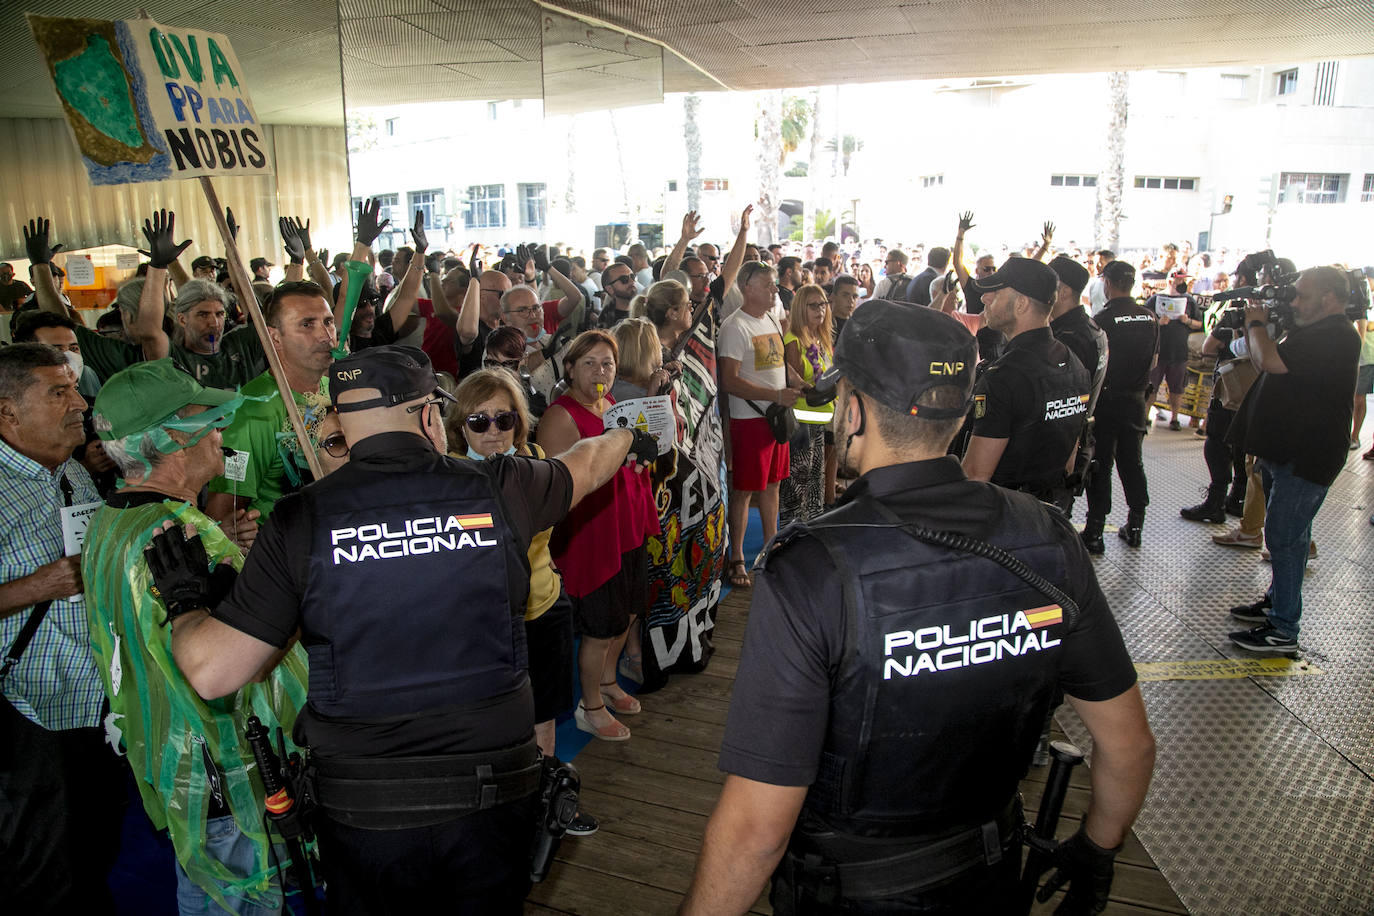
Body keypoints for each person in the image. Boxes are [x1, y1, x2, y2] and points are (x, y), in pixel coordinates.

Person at [680, 301, 1155, 915]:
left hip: (850, 895)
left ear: (852, 411)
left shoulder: (813, 568)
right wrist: (1095, 848)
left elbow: (756, 828)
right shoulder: (1049, 537)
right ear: (961, 413)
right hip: (990, 876)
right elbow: (1129, 746)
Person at [164, 344, 653, 912]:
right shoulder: (500, 487)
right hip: (492, 791)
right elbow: (591, 461)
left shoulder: (299, 519)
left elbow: (212, 672)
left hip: (366, 812)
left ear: (344, 424)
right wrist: (629, 436)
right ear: (428, 415)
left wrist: (185, 604)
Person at [82, 359, 309, 914]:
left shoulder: (113, 520)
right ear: (174, 442)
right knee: (239, 900)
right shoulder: (179, 532)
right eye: (207, 423)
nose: (219, 434)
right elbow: (239, 662)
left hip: (176, 760)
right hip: (225, 767)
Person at [0, 343, 128, 912]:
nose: (80, 402)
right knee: (43, 875)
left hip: (91, 703)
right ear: (8, 412)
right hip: (23, 713)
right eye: (59, 392)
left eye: (74, 388)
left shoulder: (73, 472)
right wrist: (38, 586)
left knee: (94, 851)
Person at [447, 368, 598, 837]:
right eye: (478, 421)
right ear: (459, 426)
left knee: (545, 717)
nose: (493, 430)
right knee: (487, 725)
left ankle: (549, 802)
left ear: (520, 422)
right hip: (482, 623)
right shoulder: (448, 476)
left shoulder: (536, 462)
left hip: (544, 609)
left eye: (504, 418)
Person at [1227, 267, 1361, 654]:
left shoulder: (1336, 335)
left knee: (1283, 538)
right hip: (1285, 449)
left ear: (1331, 298)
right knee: (1291, 535)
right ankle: (1276, 602)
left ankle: (1284, 629)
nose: (1295, 302)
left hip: (1308, 455)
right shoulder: (1312, 330)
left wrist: (1255, 323)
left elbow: (1267, 360)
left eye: (1302, 295)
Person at [538, 331, 662, 741]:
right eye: (589, 362)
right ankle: (589, 705)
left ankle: (608, 682)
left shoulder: (611, 405)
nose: (600, 371)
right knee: (599, 626)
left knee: (627, 611)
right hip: (593, 535)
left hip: (626, 526)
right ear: (570, 368)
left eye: (607, 363)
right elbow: (559, 489)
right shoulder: (561, 416)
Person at [205, 281, 337, 523]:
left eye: (328, 322)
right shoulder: (252, 412)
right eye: (307, 324)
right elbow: (222, 517)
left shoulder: (336, 391)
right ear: (274, 337)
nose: (325, 336)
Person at [962, 257, 1091, 505]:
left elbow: (976, 475)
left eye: (995, 293)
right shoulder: (1073, 362)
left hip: (1005, 521)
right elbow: (1070, 458)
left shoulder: (1004, 376)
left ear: (1021, 304)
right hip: (1050, 515)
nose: (984, 298)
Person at [718, 261, 802, 589]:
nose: (774, 291)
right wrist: (775, 395)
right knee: (744, 491)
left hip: (775, 419)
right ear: (747, 288)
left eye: (774, 285)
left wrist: (800, 384)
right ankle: (736, 556)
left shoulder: (769, 319)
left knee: (773, 485)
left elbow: (780, 364)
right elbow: (729, 381)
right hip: (750, 419)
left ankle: (772, 543)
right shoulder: (734, 327)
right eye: (767, 285)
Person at [1081, 260, 1159, 553]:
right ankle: (1136, 524)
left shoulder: (1101, 320)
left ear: (1107, 284)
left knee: (1100, 464)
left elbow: (1096, 366)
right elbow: (1153, 362)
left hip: (1107, 402)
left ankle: (1095, 531)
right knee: (1132, 462)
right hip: (1136, 400)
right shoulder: (1149, 318)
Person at [780, 284, 834, 523]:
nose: (819, 310)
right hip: (800, 418)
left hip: (820, 417)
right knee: (797, 483)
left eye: (823, 304)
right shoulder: (793, 339)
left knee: (815, 481)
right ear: (801, 307)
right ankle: (791, 532)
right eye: (813, 305)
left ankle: (811, 527)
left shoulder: (822, 337)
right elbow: (796, 383)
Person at [1146, 274, 1204, 430]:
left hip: (1179, 352)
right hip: (1158, 351)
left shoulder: (1189, 301)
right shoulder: (1155, 299)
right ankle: (1145, 416)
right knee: (1152, 385)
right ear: (1171, 280)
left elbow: (1199, 324)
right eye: (1179, 280)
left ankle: (1175, 418)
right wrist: (1159, 322)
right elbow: (1144, 320)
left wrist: (1188, 321)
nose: (1182, 283)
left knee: (1177, 387)